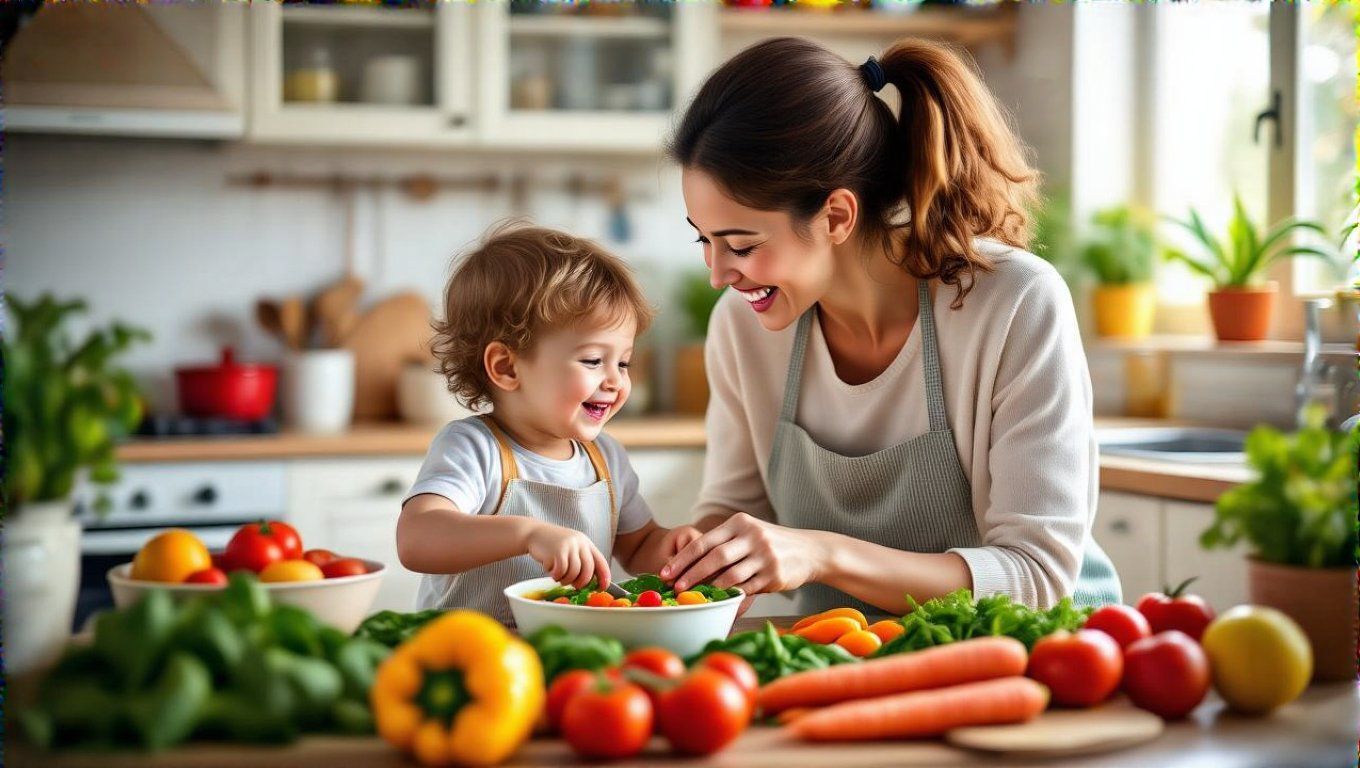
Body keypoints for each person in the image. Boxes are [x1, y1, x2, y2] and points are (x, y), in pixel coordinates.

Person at [660, 37, 1121, 616]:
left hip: (1036, 651)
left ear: (836, 216)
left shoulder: (1012, 302)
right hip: (849, 652)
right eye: (704, 240)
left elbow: (1035, 574)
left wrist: (823, 555)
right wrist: (705, 550)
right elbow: (735, 505)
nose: (718, 275)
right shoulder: (742, 326)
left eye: (742, 245)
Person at [397, 224, 701, 624]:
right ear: (506, 367)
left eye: (623, 362)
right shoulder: (473, 447)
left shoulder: (606, 457)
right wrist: (528, 535)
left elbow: (639, 544)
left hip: (567, 647)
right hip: (471, 648)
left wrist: (671, 548)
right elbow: (417, 538)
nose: (615, 380)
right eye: (593, 360)